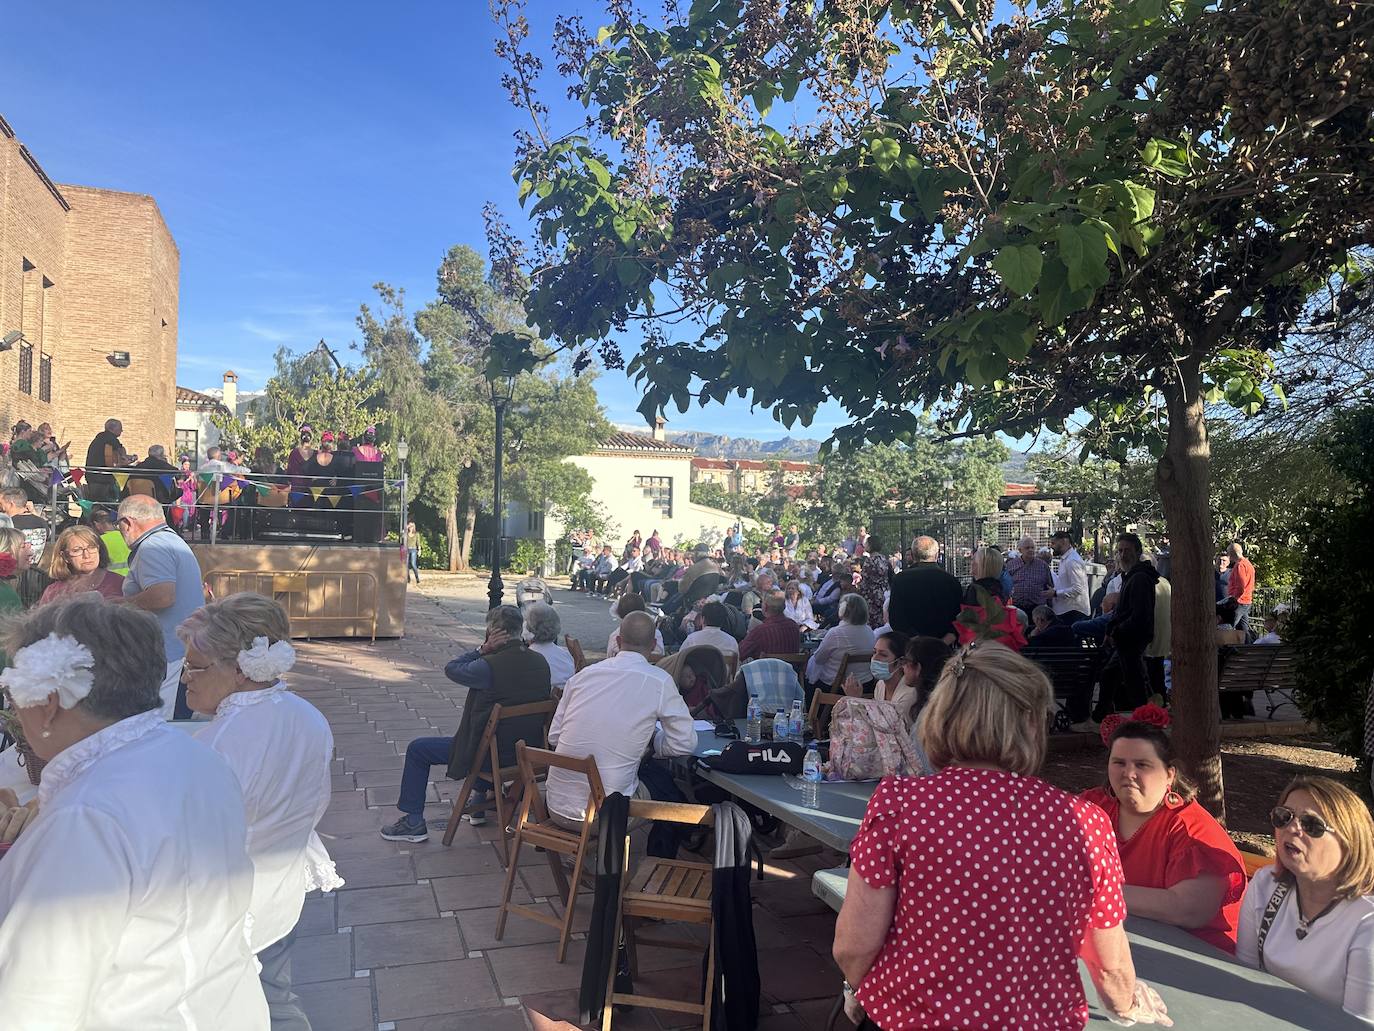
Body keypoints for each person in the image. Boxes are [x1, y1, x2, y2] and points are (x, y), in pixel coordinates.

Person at [833, 642, 1170, 1030]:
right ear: (1030, 722)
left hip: (911, 1019)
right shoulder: (1086, 822)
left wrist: (857, 987)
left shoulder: (902, 804)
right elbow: (1110, 964)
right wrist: (1128, 1004)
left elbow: (854, 945)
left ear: (941, 714)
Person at [0, 598, 269, 1028]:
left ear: (48, 701)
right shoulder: (198, 755)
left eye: (12, 691)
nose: (14, 707)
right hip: (221, 1006)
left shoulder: (84, 818)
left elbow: (34, 1003)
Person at [179, 593, 341, 1028]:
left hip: (229, 908)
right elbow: (315, 804)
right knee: (277, 996)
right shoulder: (307, 715)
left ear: (239, 669)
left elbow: (196, 842)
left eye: (195, 666)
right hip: (281, 887)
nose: (185, 678)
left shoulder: (218, 745)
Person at [382, 605, 552, 841]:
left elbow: (452, 669)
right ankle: (478, 802)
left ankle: (413, 822)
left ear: (492, 631)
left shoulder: (488, 666)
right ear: (519, 629)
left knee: (418, 749)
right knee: (491, 734)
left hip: (491, 756)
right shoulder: (541, 663)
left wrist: (482, 649)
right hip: (528, 754)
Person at [1082, 716, 1247, 953]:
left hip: (1192, 956)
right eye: (1119, 762)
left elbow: (1189, 910)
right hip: (1119, 940)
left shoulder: (1192, 830)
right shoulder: (1092, 807)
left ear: (1170, 774)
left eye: (1142, 765)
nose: (1128, 773)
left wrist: (1094, 891)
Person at [1237, 776, 1374, 1021]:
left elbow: (1359, 1025)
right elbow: (1241, 977)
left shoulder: (1367, 923)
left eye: (1311, 824)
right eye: (1284, 817)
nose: (1292, 828)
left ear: (1349, 843)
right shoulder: (1265, 885)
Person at [545, 611, 695, 826]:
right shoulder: (659, 681)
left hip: (555, 806)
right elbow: (685, 742)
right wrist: (655, 742)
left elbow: (554, 737)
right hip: (606, 816)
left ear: (617, 641)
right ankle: (673, 845)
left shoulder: (582, 676)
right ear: (654, 645)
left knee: (640, 775)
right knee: (664, 785)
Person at [117, 494, 206, 717]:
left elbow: (163, 596)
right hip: (180, 652)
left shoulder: (152, 546)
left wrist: (118, 605)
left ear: (127, 523)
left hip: (170, 657)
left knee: (166, 724)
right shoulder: (171, 541)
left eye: (119, 525)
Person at [1092, 534, 1159, 724]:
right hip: (1126, 637)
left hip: (1132, 638)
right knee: (1113, 675)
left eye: (1127, 550)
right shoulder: (1132, 576)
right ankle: (1103, 714)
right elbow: (1123, 611)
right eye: (1120, 551)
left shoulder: (1139, 578)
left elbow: (1139, 614)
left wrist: (1117, 631)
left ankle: (1145, 719)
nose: (1122, 555)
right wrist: (1112, 631)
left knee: (1133, 681)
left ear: (1137, 552)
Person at [887, 535, 962, 640]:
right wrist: (944, 642)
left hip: (911, 644)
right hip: (944, 644)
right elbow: (959, 617)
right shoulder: (952, 581)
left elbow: (896, 618)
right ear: (937, 554)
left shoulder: (900, 580)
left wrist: (916, 640)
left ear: (913, 555)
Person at [805, 593, 876, 697]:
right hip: (866, 684)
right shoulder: (869, 631)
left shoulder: (836, 633)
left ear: (842, 610)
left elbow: (819, 659)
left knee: (808, 683)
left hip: (839, 686)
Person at [842, 630, 914, 726]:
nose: (874, 658)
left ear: (901, 662)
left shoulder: (908, 695)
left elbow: (885, 729)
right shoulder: (881, 685)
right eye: (874, 652)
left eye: (883, 655)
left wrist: (856, 700)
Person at [39, 525, 125, 604]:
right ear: (65, 556)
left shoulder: (120, 584)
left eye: (91, 547)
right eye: (77, 550)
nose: (86, 555)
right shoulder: (53, 592)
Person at [524, 601, 576, 691]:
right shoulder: (566, 655)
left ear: (528, 628)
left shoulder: (525, 659)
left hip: (541, 698)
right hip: (568, 696)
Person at [739, 590, 802, 662]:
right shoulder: (794, 627)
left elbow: (740, 653)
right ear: (784, 607)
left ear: (765, 607)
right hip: (791, 669)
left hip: (765, 669)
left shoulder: (760, 631)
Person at [1045, 530, 1091, 623]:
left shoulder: (1072, 561)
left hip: (1074, 612)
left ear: (1063, 542)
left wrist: (1055, 593)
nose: (1051, 546)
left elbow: (1077, 589)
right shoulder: (1066, 560)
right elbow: (1065, 584)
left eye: (1053, 543)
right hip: (1067, 611)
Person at [83, 418, 130, 501]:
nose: (122, 431)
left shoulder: (99, 439)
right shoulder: (109, 438)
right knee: (104, 501)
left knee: (97, 502)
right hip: (101, 478)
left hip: (93, 476)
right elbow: (120, 450)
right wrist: (125, 458)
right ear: (111, 429)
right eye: (120, 428)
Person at [1007, 535, 1055, 616]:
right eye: (1027, 548)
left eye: (1032, 547)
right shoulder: (1011, 565)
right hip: (1017, 608)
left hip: (1038, 609)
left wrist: (1050, 608)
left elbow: (1050, 587)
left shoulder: (1043, 565)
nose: (1030, 550)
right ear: (1020, 550)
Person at [0, 486, 47, 556]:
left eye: (1, 504)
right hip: (37, 562)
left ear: (11, 504)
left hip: (12, 562)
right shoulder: (42, 523)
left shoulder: (7, 524)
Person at [857, 537, 891, 629]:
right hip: (884, 592)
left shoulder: (869, 561)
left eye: (866, 544)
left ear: (871, 545)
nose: (865, 546)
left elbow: (865, 580)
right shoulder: (884, 559)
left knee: (872, 621)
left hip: (872, 595)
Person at [89, 505, 131, 575]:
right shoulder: (126, 536)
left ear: (96, 524)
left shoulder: (99, 541)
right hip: (132, 576)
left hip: (112, 578)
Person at [1226, 541, 1256, 634]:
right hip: (1247, 600)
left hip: (1239, 601)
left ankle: (1225, 642)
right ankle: (1247, 643)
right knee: (1243, 629)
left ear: (1232, 553)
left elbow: (1240, 586)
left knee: (1228, 626)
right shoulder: (1248, 564)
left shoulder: (1240, 565)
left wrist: (1234, 599)